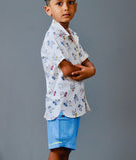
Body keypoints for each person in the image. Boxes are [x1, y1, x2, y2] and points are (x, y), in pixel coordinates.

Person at [41, 0, 96, 159]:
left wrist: (91, 70)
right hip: (60, 106)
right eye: (59, 3)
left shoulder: (73, 36)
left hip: (73, 104)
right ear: (48, 10)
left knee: (65, 150)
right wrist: (88, 70)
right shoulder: (52, 37)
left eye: (70, 2)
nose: (66, 7)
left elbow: (88, 64)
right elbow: (67, 70)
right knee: (59, 150)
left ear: (76, 6)